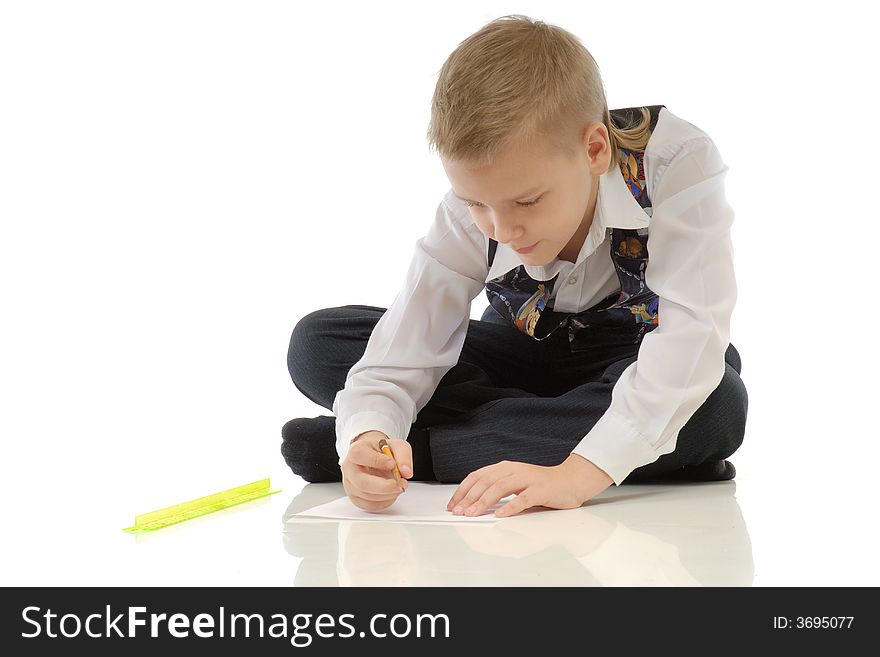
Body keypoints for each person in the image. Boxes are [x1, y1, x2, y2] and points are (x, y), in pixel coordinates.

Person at [282, 14, 748, 518]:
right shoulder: (474, 206)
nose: (501, 231)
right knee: (318, 343)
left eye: (526, 202)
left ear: (594, 149)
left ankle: (435, 448)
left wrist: (577, 475)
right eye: (477, 204)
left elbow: (692, 336)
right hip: (522, 354)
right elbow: (406, 345)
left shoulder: (677, 162)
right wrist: (370, 435)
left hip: (632, 357)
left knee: (714, 397)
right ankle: (574, 437)